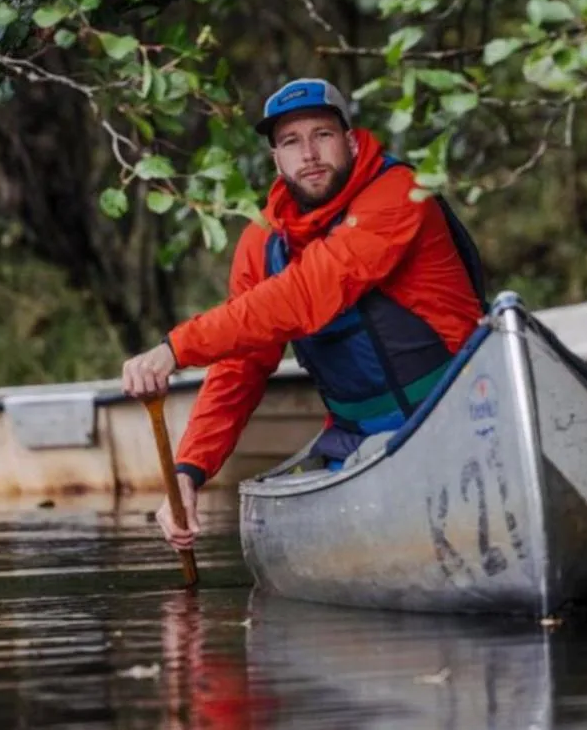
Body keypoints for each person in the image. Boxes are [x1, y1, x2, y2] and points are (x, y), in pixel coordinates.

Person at [121, 77, 487, 553]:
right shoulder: (262, 241)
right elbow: (240, 366)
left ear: (350, 141)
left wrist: (177, 348)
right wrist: (189, 471)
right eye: (291, 142)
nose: (309, 153)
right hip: (358, 440)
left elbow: (310, 290)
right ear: (276, 160)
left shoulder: (399, 192)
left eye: (322, 135)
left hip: (465, 413)